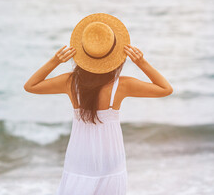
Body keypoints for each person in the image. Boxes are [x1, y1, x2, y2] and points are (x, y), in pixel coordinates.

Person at [24, 13, 173, 195]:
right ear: (115, 56)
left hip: (79, 159)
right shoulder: (122, 85)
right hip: (111, 160)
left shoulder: (70, 82)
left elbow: (30, 86)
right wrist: (141, 62)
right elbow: (165, 89)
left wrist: (55, 60)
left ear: (83, 52)